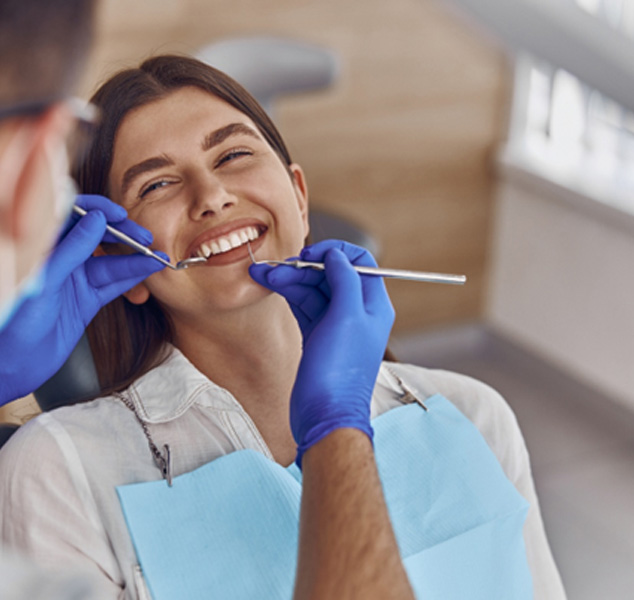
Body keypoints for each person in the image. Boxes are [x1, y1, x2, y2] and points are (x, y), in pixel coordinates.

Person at [0, 54, 567, 599]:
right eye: (156, 185)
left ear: (298, 197)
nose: (212, 197)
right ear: (122, 263)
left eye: (233, 156)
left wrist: (340, 418)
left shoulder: (474, 415)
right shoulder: (56, 470)